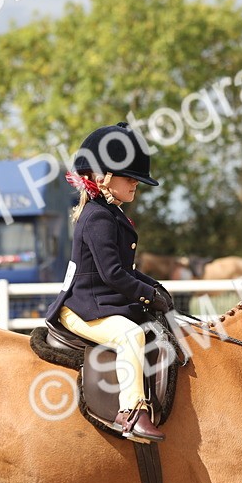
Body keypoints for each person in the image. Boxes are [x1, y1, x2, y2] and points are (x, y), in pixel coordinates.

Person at [44, 122, 174, 443]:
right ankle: (131, 412)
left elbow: (126, 271)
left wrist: (155, 288)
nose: (135, 183)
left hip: (101, 301)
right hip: (82, 308)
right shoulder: (99, 217)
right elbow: (113, 274)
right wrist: (147, 295)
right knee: (131, 335)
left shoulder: (111, 212)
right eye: (129, 177)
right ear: (102, 177)